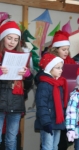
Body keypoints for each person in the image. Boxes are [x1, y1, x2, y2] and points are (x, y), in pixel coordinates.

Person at [0, 20, 33, 150]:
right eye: (9, 38)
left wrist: (28, 75)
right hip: (1, 101)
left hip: (16, 102)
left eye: (15, 39)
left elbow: (28, 86)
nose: (12, 42)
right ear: (3, 38)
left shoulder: (22, 57)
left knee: (11, 139)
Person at [34, 53, 68, 150]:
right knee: (47, 147)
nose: (61, 70)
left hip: (57, 122)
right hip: (48, 122)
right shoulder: (44, 84)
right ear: (50, 68)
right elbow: (42, 105)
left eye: (61, 68)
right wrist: (46, 123)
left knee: (54, 146)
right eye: (58, 68)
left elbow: (61, 105)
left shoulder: (58, 84)